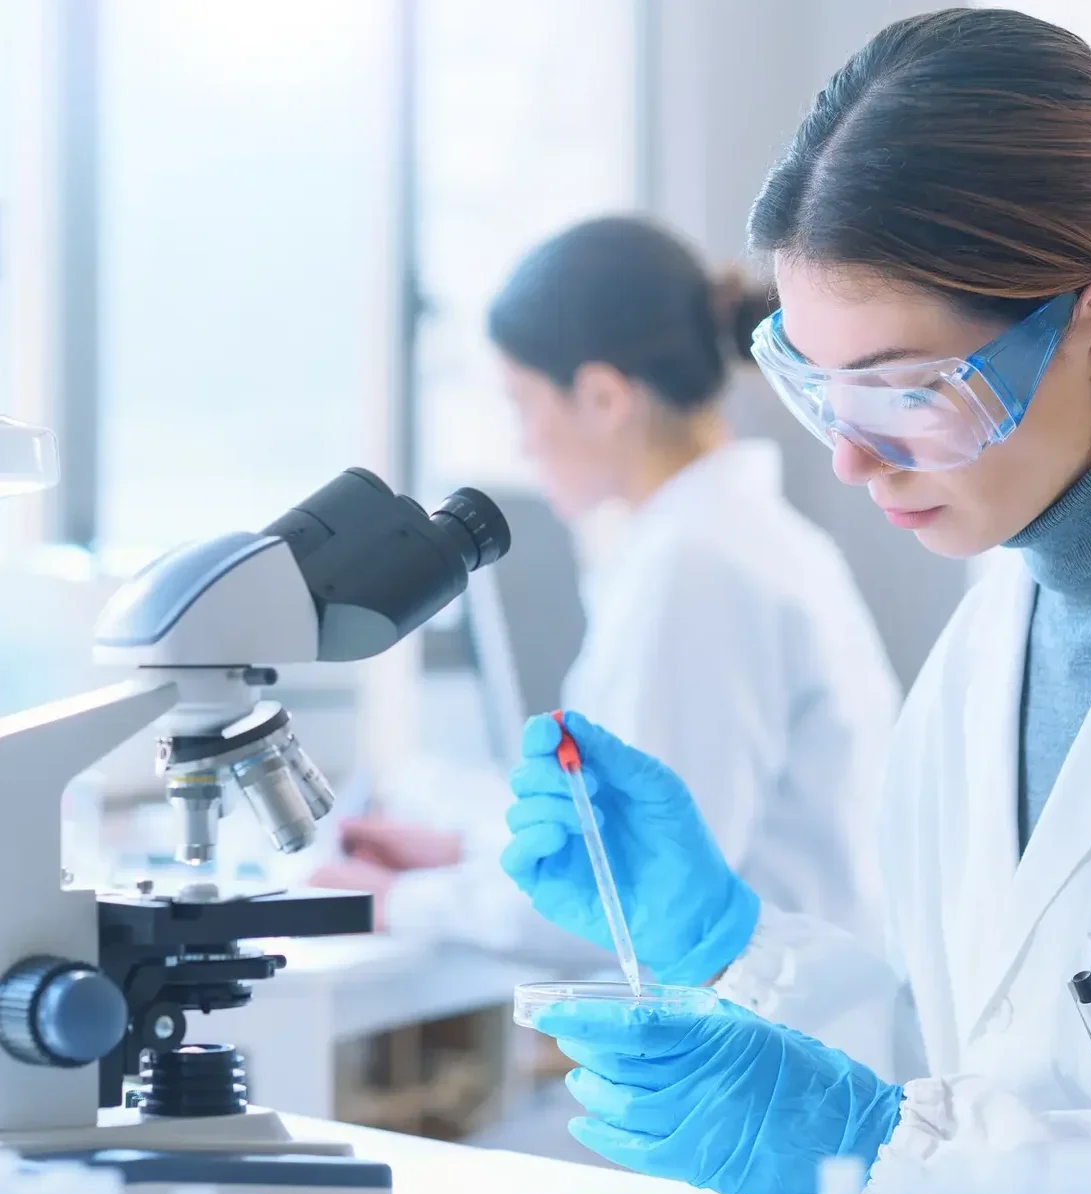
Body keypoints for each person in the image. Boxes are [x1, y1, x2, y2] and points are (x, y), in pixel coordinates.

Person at [502, 8, 1091, 1194]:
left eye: (903, 394)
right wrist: (724, 942)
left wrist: (881, 1145)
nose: (851, 461)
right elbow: (970, 1072)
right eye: (815, 388)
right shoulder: (988, 648)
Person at [312, 216, 900, 953]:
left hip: (768, 1029)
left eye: (523, 405)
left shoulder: (696, 566)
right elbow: (626, 843)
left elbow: (633, 900)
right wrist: (461, 853)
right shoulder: (740, 539)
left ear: (602, 398)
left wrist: (403, 903)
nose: (523, 443)